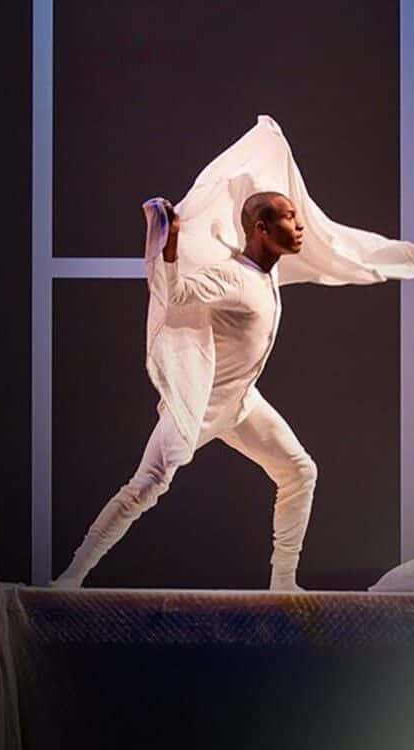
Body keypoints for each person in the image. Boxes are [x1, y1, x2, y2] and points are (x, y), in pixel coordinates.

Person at [54, 192, 318, 590]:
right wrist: (171, 240)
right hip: (201, 406)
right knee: (146, 485)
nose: (300, 226)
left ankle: (283, 582)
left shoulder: (268, 272)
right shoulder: (234, 277)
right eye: (290, 218)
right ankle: (71, 579)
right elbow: (176, 295)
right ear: (262, 229)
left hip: (242, 402)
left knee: (299, 471)